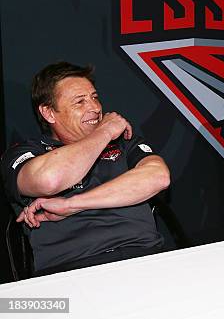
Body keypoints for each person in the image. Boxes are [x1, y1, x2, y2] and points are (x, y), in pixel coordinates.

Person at [1, 62, 170, 275]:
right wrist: (105, 132)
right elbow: (49, 180)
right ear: (49, 113)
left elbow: (158, 177)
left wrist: (73, 204)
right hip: (73, 272)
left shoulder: (123, 143)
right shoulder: (26, 152)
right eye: (80, 101)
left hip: (144, 258)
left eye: (94, 97)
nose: (95, 108)